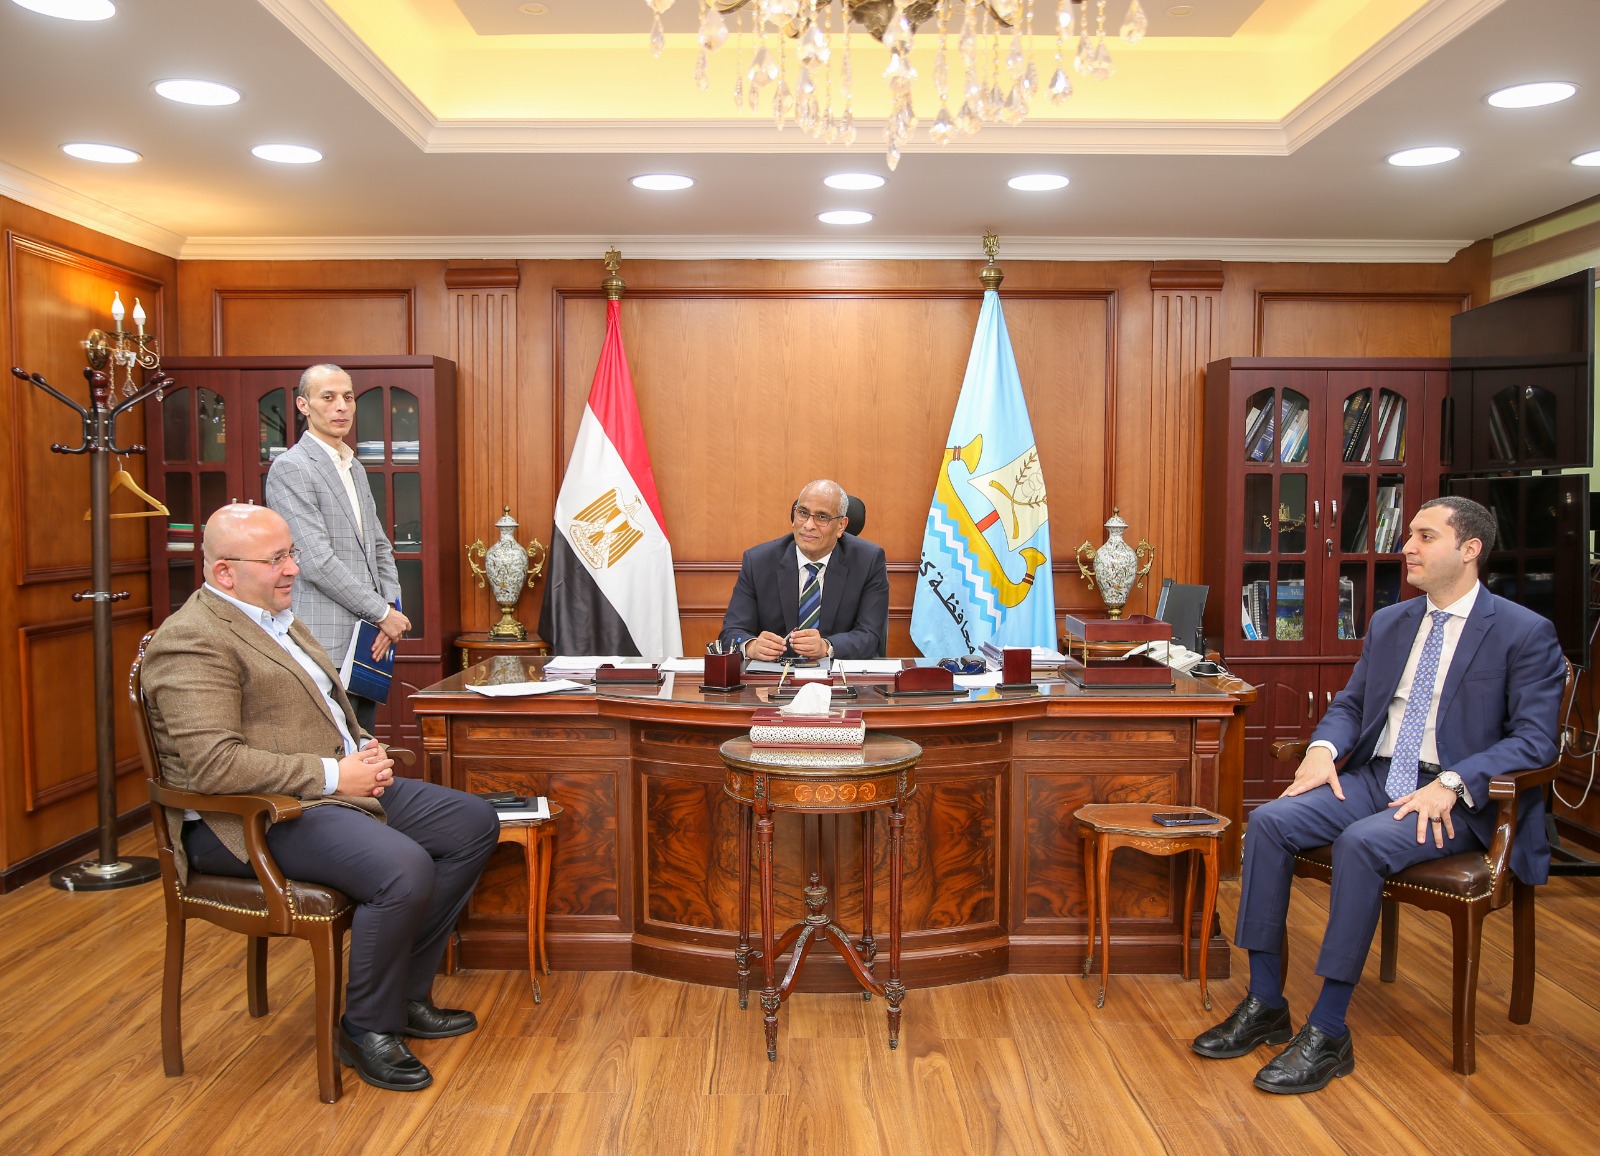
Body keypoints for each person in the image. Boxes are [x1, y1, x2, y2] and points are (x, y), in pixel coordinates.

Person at [1193, 495, 1565, 1094]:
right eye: (1409, 534)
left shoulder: (1523, 632)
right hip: (1377, 776)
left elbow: (1535, 740)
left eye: (1425, 536)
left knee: (1362, 845)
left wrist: (1453, 782)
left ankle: (1328, 1030)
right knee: (1267, 822)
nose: (1406, 547)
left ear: (1470, 550)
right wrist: (1322, 749)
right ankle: (1265, 1002)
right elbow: (1352, 705)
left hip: (1455, 797)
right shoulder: (1392, 622)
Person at [141, 504, 499, 1093]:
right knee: (402, 867)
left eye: (293, 554)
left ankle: (403, 994)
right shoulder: (191, 640)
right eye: (276, 559)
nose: (293, 569)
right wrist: (336, 775)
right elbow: (213, 765)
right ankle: (365, 1028)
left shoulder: (276, 616)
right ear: (225, 571)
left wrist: (362, 748)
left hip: (321, 790)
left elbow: (321, 708)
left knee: (472, 822)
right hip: (245, 819)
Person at [265, 363, 410, 733]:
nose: (341, 406)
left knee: (365, 747)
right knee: (335, 753)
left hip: (370, 641)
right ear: (303, 405)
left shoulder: (353, 466)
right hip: (324, 641)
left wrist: (391, 609)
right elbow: (315, 560)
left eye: (348, 397)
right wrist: (382, 612)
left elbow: (379, 546)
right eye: (328, 397)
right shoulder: (292, 467)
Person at [718, 479, 890, 660]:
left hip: (838, 673)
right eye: (803, 513)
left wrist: (827, 647)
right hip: (775, 674)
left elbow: (870, 636)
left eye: (822, 517)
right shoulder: (758, 562)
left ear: (841, 525)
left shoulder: (868, 561)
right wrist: (751, 646)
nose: (808, 525)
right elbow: (731, 632)